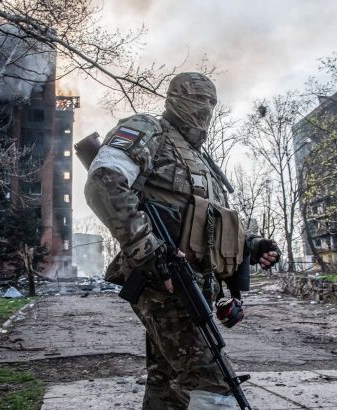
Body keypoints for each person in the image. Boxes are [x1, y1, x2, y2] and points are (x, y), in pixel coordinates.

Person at [84, 72, 279, 409]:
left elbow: (209, 223)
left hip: (196, 284)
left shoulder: (201, 160)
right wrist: (149, 251)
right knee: (214, 385)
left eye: (210, 102)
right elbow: (104, 181)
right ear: (173, 97)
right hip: (164, 280)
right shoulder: (149, 130)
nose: (204, 107)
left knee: (169, 386)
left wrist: (252, 245)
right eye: (196, 98)